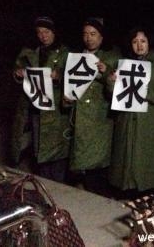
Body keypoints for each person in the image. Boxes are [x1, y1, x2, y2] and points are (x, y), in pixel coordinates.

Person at [108, 27, 154, 196]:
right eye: (135, 42)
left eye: (143, 41)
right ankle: (128, 187)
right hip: (128, 117)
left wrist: (148, 93)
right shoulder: (122, 63)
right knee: (127, 154)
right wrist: (111, 81)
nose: (139, 46)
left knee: (148, 155)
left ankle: (151, 189)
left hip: (152, 119)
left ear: (150, 42)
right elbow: (111, 92)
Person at [12, 16, 70, 182]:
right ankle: (44, 185)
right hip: (37, 108)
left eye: (47, 31)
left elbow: (72, 76)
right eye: (39, 32)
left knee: (57, 152)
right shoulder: (31, 51)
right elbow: (18, 68)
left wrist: (58, 76)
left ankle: (59, 188)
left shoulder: (65, 52)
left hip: (57, 111)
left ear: (54, 32)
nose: (43, 36)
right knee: (39, 150)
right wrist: (18, 73)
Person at [66, 17, 120, 194]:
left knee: (98, 163)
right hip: (80, 116)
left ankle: (101, 198)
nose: (89, 38)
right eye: (85, 34)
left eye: (93, 34)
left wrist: (105, 73)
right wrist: (67, 99)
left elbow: (117, 86)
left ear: (102, 37)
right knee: (82, 161)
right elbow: (70, 86)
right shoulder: (77, 57)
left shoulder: (112, 57)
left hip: (100, 117)